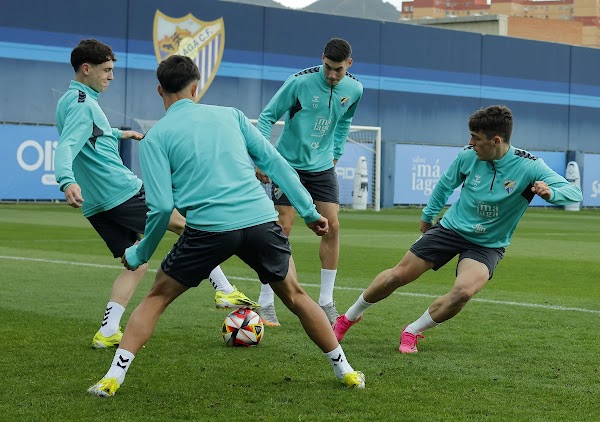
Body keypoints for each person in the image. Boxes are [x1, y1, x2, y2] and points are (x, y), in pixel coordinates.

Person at [87, 55, 365, 397]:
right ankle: (346, 370)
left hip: (208, 230)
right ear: (196, 87)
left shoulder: (156, 136)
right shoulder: (231, 115)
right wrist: (309, 211)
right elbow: (276, 163)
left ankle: (114, 376)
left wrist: (139, 251)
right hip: (260, 220)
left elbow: (160, 208)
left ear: (160, 90)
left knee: (156, 297)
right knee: (295, 295)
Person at [54, 39, 257, 350]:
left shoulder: (71, 100)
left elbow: (89, 134)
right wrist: (67, 180)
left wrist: (122, 133)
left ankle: (108, 330)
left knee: (135, 261)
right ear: (86, 69)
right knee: (185, 226)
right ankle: (223, 288)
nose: (111, 76)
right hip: (119, 189)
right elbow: (68, 145)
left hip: (97, 205)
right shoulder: (84, 103)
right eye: (106, 70)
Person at [332, 105, 583, 353]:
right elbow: (444, 185)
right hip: (451, 229)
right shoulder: (467, 156)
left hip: (488, 244)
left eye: (476, 138)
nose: (471, 143)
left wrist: (552, 193)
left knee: (463, 292)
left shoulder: (530, 166)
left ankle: (413, 331)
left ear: (496, 141)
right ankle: (349, 317)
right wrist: (428, 216)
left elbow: (574, 192)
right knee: (399, 275)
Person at [254, 37, 363, 326]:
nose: (331, 75)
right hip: (287, 164)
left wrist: (336, 154)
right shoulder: (298, 82)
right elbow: (266, 118)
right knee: (282, 227)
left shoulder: (354, 89)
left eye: (338, 70)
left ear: (348, 65)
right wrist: (264, 158)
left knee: (332, 226)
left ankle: (326, 300)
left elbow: (344, 123)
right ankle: (266, 301)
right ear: (322, 58)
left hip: (322, 166)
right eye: (327, 67)